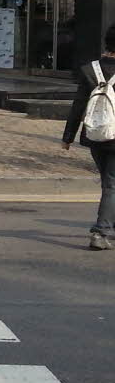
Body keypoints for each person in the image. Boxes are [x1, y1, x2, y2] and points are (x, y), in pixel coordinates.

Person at [63, 23, 115, 250]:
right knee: (111, 185)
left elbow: (78, 105)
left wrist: (68, 136)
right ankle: (101, 231)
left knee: (109, 182)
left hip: (94, 135)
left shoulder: (90, 69)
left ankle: (109, 226)